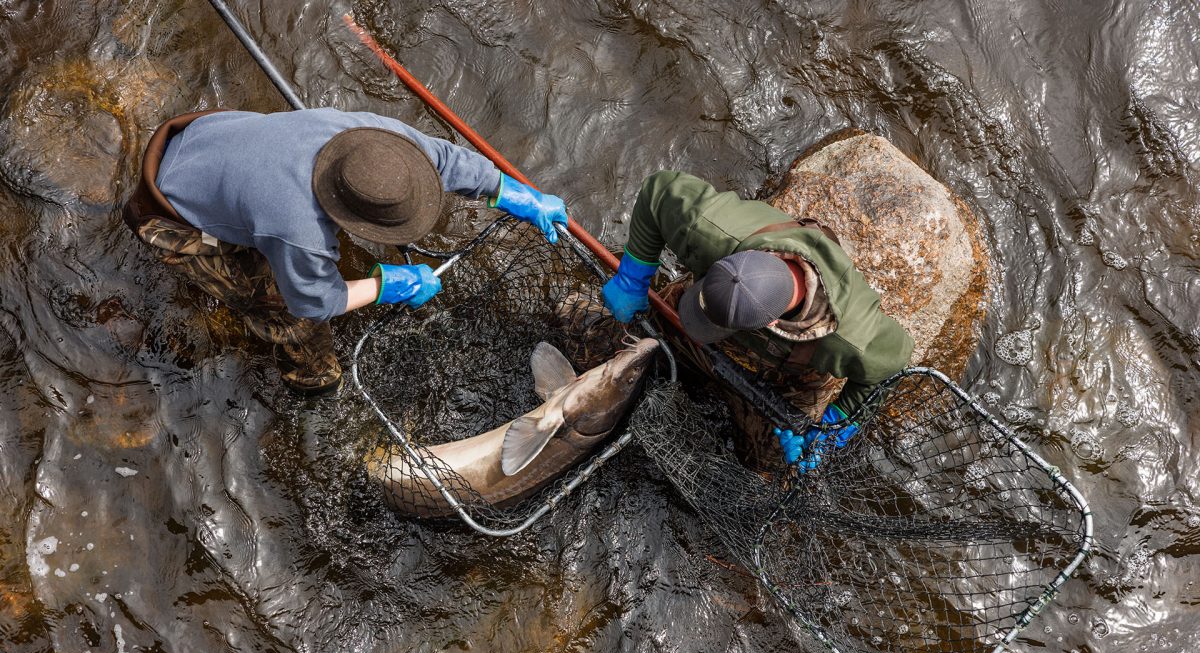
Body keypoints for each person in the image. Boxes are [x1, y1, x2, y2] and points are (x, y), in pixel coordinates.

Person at [123, 108, 567, 396]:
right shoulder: (299, 228)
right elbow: (314, 302)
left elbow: (446, 160)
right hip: (168, 212)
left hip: (204, 136)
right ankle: (312, 383)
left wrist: (514, 195)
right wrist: (386, 285)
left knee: (283, 247)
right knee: (285, 314)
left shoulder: (373, 140)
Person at [601, 170, 913, 471]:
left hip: (790, 372)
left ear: (771, 323)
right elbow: (659, 192)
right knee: (618, 343)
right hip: (719, 297)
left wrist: (836, 424)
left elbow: (890, 368)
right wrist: (633, 275)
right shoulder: (709, 229)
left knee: (768, 461)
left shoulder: (850, 342)